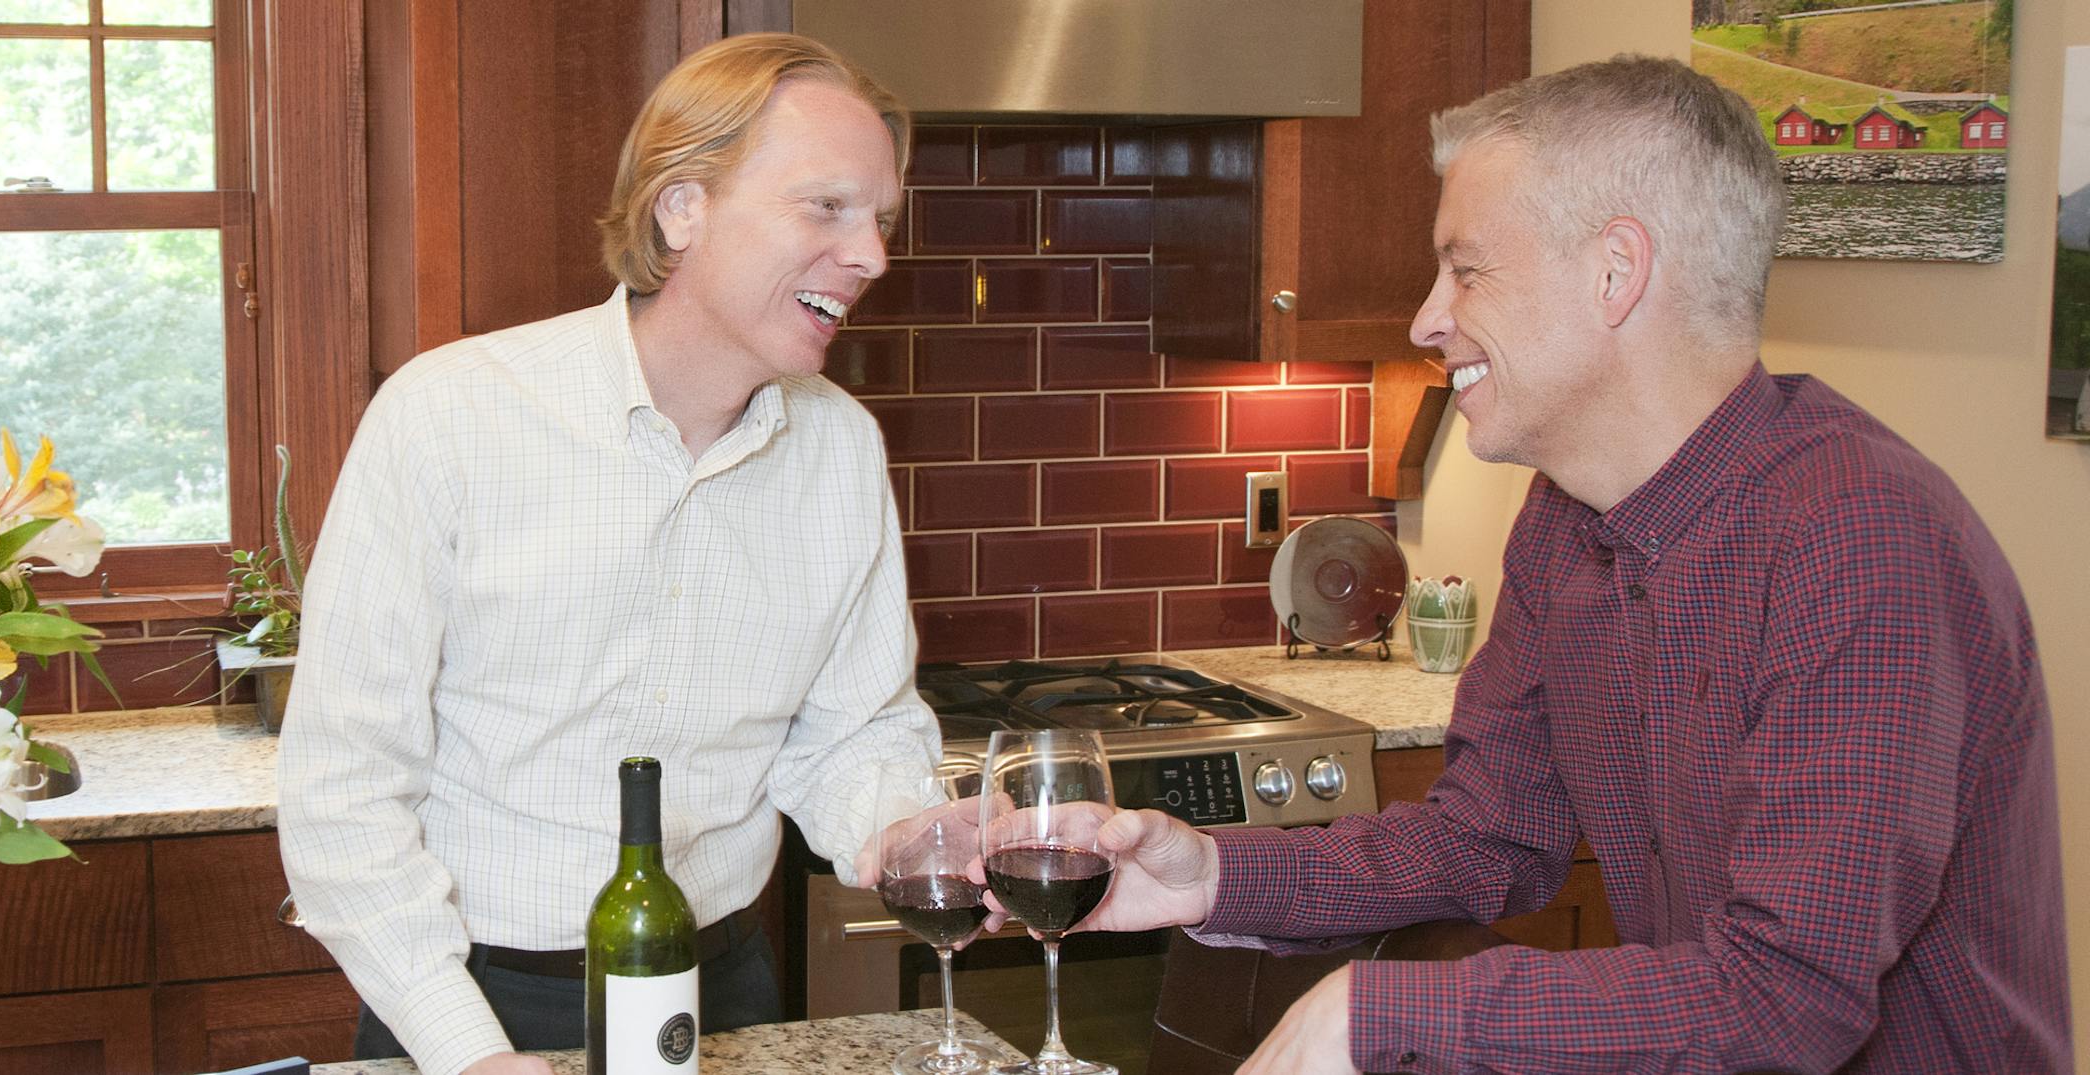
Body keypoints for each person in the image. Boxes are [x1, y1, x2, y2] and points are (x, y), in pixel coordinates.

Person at [1074, 55, 2073, 1074]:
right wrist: (1208, 875)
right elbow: (1480, 840)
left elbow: (1784, 998)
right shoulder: (1566, 519)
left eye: (1465, 270)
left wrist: (1388, 1010)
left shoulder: (1864, 539)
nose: (1425, 319)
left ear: (1615, 272)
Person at [275, 33, 941, 1075]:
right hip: (476, 1007)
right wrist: (470, 1055)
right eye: (827, 208)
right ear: (684, 208)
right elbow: (342, 794)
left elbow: (854, 730)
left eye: (882, 220)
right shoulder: (448, 418)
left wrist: (904, 830)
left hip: (728, 995)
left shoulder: (841, 448)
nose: (873, 256)